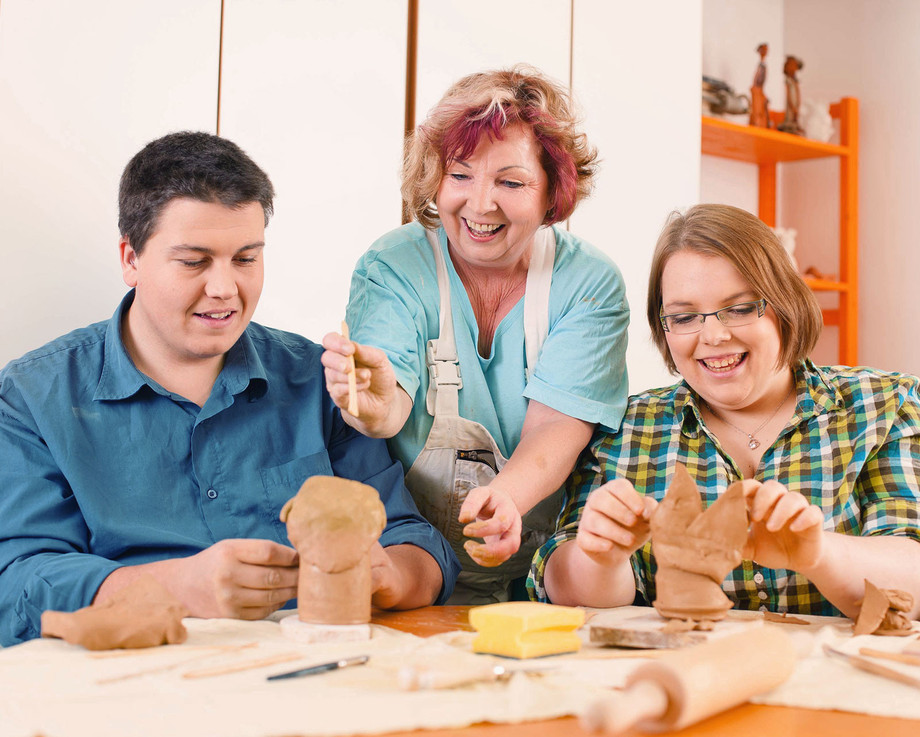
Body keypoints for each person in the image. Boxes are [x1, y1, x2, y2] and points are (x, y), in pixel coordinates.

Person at [0, 131, 459, 646]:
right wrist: (175, 587)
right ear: (131, 258)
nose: (224, 289)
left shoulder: (316, 377)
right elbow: (16, 584)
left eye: (245, 258)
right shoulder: (32, 396)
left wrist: (389, 575)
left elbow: (416, 543)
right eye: (194, 261)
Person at [322, 66, 629, 603]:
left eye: (510, 182)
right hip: (408, 570)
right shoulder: (394, 265)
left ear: (552, 191)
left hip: (550, 581)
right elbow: (389, 401)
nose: (480, 204)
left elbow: (556, 428)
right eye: (460, 175)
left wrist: (503, 500)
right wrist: (371, 408)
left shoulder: (588, 284)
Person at [531, 203, 920, 619]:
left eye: (739, 308)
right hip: (678, 675)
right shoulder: (624, 429)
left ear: (785, 303)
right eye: (684, 317)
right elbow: (561, 584)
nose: (713, 335)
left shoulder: (883, 405)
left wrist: (820, 554)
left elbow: (912, 574)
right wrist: (600, 558)